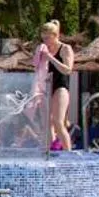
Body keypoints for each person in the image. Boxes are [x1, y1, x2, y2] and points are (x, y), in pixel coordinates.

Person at [32, 20, 75, 152]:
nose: (45, 41)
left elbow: (68, 70)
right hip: (46, 87)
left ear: (55, 35)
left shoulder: (65, 48)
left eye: (47, 38)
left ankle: (68, 153)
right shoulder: (43, 49)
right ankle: (49, 152)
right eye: (43, 38)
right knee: (47, 123)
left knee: (58, 121)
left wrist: (50, 57)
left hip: (60, 87)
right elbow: (36, 68)